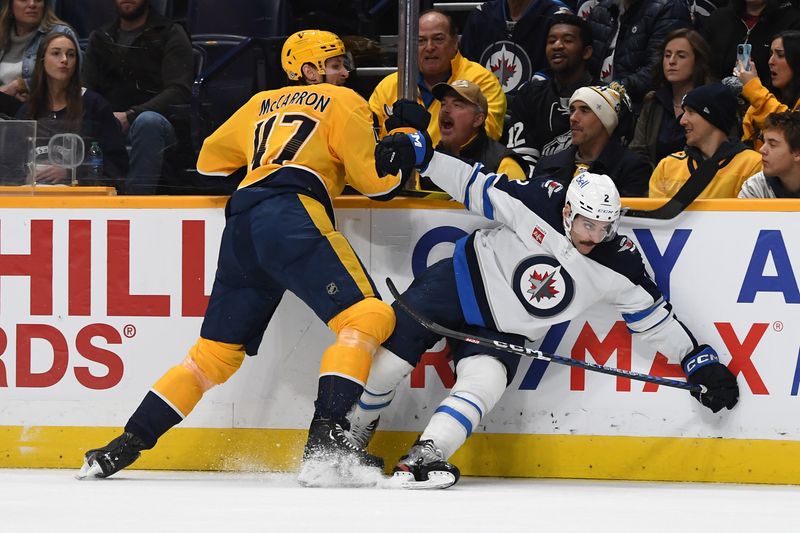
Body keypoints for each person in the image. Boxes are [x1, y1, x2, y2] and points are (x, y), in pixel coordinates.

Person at [77, 29, 407, 486]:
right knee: (367, 316)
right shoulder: (343, 100)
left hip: (243, 223)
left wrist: (261, 152)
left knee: (211, 357)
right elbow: (379, 183)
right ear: (310, 71)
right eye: (335, 63)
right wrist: (407, 139)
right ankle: (326, 442)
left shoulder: (260, 102)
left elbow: (210, 159)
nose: (345, 71)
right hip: (291, 212)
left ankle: (122, 446)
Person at [344, 125, 739, 489]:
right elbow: (474, 184)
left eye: (606, 227)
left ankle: (426, 456)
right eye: (588, 224)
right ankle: (351, 434)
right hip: (460, 284)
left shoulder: (620, 263)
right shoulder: (540, 199)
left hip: (506, 332)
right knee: (392, 363)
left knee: (485, 382)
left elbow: (655, 321)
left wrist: (699, 362)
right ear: (568, 212)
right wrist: (426, 158)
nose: (595, 236)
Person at [82, 0, 193, 194]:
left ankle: (135, 204)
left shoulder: (170, 32)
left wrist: (131, 115)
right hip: (110, 124)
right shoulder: (100, 37)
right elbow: (85, 90)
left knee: (147, 122)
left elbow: (178, 91)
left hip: (162, 127)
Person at [369, 9, 506, 146]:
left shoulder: (482, 81)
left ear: (455, 43)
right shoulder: (389, 86)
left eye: (438, 39)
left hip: (460, 166)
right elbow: (371, 139)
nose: (429, 47)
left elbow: (483, 139)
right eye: (421, 41)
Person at [16, 31, 127, 188]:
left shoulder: (95, 106)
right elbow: (11, 166)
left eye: (71, 55)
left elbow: (116, 165)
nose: (64, 60)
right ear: (42, 60)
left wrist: (71, 173)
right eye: (56, 53)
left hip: (80, 200)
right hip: (33, 199)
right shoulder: (27, 111)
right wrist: (25, 176)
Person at [507, 13, 596, 171]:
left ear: (586, 52)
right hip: (537, 186)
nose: (557, 45)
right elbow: (522, 157)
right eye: (551, 41)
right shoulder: (529, 95)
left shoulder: (605, 98)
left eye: (567, 40)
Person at [532, 84, 651, 196]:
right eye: (572, 110)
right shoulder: (546, 165)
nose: (573, 118)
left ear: (606, 120)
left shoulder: (633, 168)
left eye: (584, 110)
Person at [650, 82, 762, 198]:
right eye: (684, 112)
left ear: (714, 118)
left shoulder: (752, 165)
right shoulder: (667, 167)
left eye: (691, 112)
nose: (682, 121)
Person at [422, 79, 527, 193]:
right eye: (443, 104)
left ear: (478, 120)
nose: (445, 110)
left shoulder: (504, 165)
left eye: (457, 105)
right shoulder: (430, 159)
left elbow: (517, 209)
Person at [581, 0, 691, 106]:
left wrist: (610, 92)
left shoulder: (669, 7)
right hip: (597, 103)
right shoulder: (601, 9)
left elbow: (657, 69)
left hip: (639, 106)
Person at [630, 28, 713, 166]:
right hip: (652, 182)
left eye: (681, 56)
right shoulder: (653, 101)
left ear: (697, 61)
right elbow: (638, 151)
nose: (671, 61)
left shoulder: (711, 103)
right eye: (667, 55)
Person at [459, 0, 573, 97]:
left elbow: (569, 73)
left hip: (537, 109)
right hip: (484, 107)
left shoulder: (557, 17)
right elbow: (465, 66)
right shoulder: (481, 15)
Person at [701, 0, 800, 91]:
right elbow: (704, 66)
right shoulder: (718, 18)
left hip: (771, 102)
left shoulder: (792, 22)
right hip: (718, 100)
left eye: (780, 54)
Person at [0, 0, 77, 116]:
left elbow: (75, 76)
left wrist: (20, 85)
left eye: (38, 0)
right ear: (10, 5)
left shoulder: (60, 33)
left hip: (41, 112)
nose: (32, 4)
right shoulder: (2, 34)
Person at [735, 30, 800, 150]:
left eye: (780, 55)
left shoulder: (758, 96)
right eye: (771, 54)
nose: (770, 61)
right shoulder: (759, 102)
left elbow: (792, 130)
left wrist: (753, 88)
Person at [739, 110, 800, 197]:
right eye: (764, 142)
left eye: (772, 144)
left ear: (797, 154)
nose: (761, 150)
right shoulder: (754, 187)